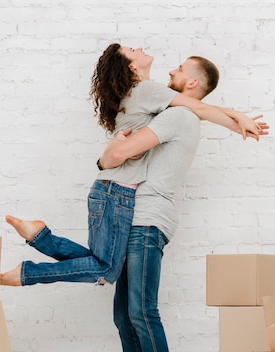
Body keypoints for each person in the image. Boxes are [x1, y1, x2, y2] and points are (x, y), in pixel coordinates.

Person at [0, 43, 264, 287]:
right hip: (118, 192)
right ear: (131, 67)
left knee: (104, 266)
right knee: (105, 270)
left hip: (109, 190)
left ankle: (40, 237)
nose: (139, 48)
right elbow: (200, 109)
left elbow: (194, 110)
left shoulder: (140, 96)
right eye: (131, 50)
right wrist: (239, 120)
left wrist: (239, 120)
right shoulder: (147, 90)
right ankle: (27, 273)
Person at [99, 55, 266, 351]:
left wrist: (111, 152)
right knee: (124, 315)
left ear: (191, 82)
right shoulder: (177, 111)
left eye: (178, 69)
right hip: (135, 218)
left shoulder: (175, 116)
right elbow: (199, 108)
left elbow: (118, 155)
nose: (171, 70)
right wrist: (235, 116)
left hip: (147, 219)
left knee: (141, 312)